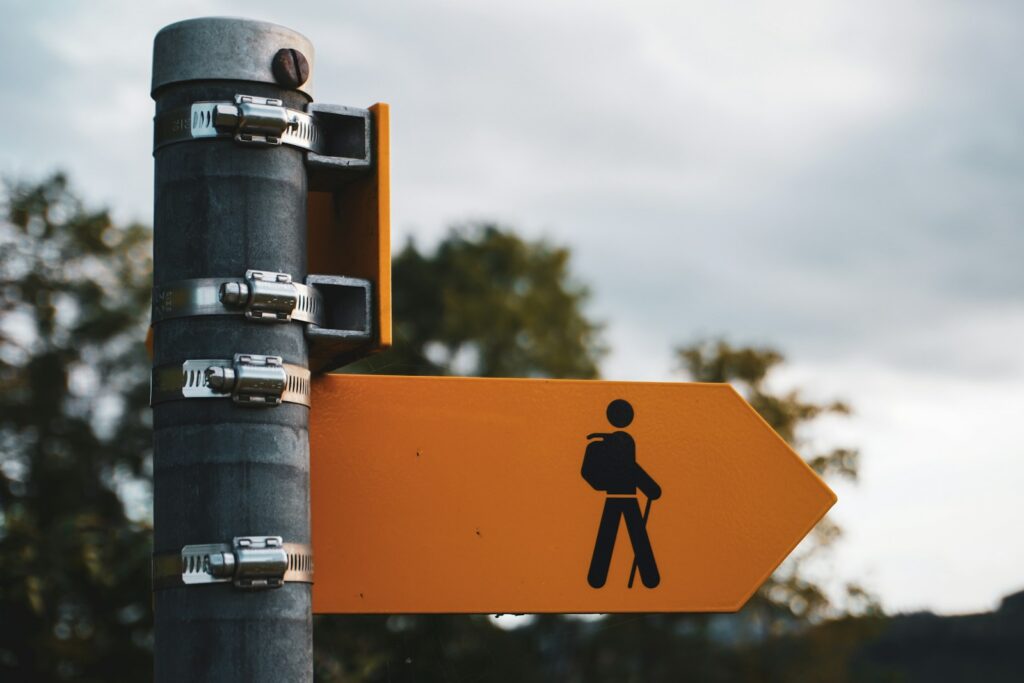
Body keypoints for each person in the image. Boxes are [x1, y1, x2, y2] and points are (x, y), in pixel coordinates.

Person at [581, 399, 661, 588]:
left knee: (619, 536)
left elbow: (631, 468)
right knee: (630, 535)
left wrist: (651, 488)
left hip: (618, 498)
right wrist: (651, 488)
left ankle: (599, 579)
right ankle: (648, 579)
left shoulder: (618, 441)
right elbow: (632, 469)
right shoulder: (621, 442)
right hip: (625, 497)